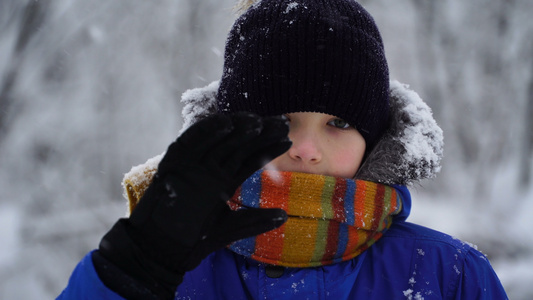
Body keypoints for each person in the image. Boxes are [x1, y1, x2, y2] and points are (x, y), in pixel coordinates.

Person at [57, 0, 508, 299]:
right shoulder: (165, 269)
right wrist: (126, 274)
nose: (307, 149)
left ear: (375, 141)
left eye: (338, 122)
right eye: (281, 122)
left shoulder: (450, 276)